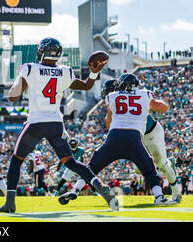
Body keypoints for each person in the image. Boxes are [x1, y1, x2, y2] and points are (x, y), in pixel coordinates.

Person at [0, 38, 118, 213]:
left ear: (42, 51)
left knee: (16, 160)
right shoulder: (65, 71)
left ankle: (10, 203)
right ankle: (100, 187)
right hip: (55, 123)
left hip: (36, 123)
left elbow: (13, 97)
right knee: (70, 162)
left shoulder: (30, 68)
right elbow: (85, 85)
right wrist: (93, 73)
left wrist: (19, 77)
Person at [59, 74, 176, 206]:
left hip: (114, 137)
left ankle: (75, 190)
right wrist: (159, 104)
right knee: (149, 169)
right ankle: (159, 196)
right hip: (134, 138)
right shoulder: (144, 94)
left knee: (93, 166)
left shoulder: (113, 96)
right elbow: (162, 108)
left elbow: (108, 124)